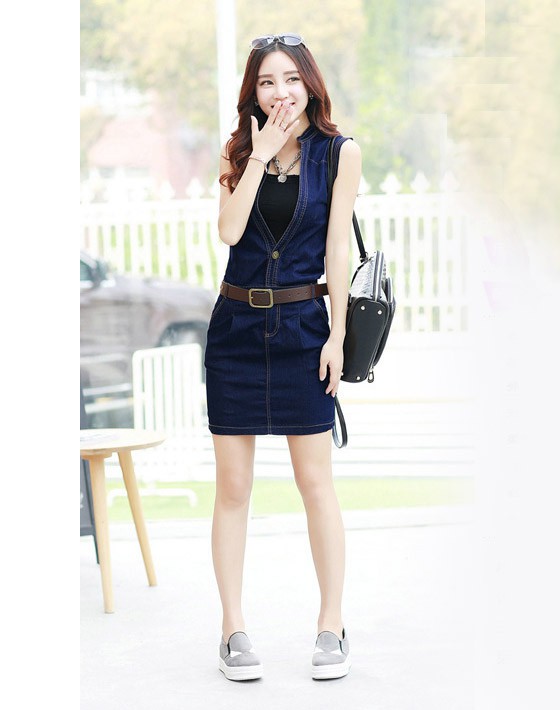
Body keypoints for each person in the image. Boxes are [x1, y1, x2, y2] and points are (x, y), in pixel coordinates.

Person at [204, 33, 361, 682]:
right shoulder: (237, 150)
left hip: (303, 330)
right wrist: (260, 155)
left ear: (309, 84)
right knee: (233, 488)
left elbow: (336, 250)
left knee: (315, 483)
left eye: (291, 79)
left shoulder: (339, 154)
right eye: (267, 81)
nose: (281, 93)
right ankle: (232, 629)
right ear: (254, 91)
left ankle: (332, 624)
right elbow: (229, 231)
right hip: (236, 330)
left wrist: (338, 335)